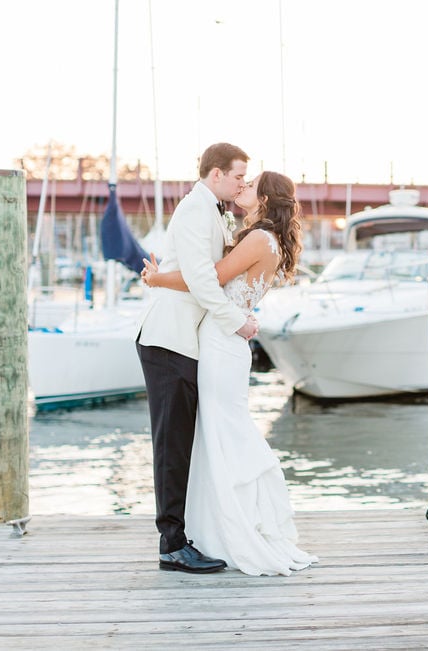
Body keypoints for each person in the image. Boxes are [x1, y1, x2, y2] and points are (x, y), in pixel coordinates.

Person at [142, 171, 318, 576]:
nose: (242, 187)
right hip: (224, 341)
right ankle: (216, 528)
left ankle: (238, 525)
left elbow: (210, 279)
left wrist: (157, 279)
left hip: (222, 344)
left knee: (224, 433)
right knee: (218, 434)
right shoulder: (259, 238)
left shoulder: (259, 240)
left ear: (267, 198)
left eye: (251, 184)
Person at [135, 142, 259, 574]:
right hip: (168, 339)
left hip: (188, 342)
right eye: (239, 174)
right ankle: (171, 543)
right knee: (172, 444)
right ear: (216, 174)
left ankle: (184, 535)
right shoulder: (193, 210)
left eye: (247, 177)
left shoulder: (214, 210)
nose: (244, 182)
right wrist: (235, 322)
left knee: (185, 441)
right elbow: (202, 281)